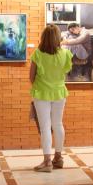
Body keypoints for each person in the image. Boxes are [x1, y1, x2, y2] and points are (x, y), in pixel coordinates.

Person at [30, 24, 73, 172]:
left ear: (43, 37)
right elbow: (65, 72)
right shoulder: (65, 54)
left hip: (41, 93)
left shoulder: (37, 54)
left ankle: (47, 161)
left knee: (45, 127)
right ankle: (58, 158)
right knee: (58, 124)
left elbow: (31, 77)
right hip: (60, 92)